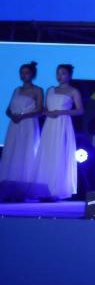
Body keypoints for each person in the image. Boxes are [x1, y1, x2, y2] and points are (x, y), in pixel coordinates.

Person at [0, 61, 46, 200]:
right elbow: (8, 109)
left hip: (28, 124)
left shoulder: (37, 90)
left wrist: (22, 116)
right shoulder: (16, 90)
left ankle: (24, 189)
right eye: (21, 72)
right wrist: (12, 116)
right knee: (12, 151)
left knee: (26, 152)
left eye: (26, 73)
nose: (23, 75)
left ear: (32, 74)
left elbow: (39, 110)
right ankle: (9, 188)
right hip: (15, 125)